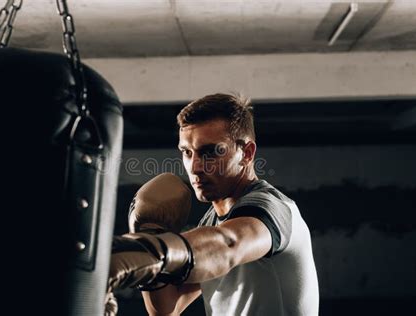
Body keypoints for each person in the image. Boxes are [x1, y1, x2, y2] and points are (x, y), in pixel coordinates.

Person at [109, 93, 319, 316]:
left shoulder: (273, 208)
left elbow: (229, 244)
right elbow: (167, 308)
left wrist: (148, 251)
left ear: (246, 153)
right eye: (187, 153)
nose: (195, 167)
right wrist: (150, 234)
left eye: (210, 152)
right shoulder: (210, 222)